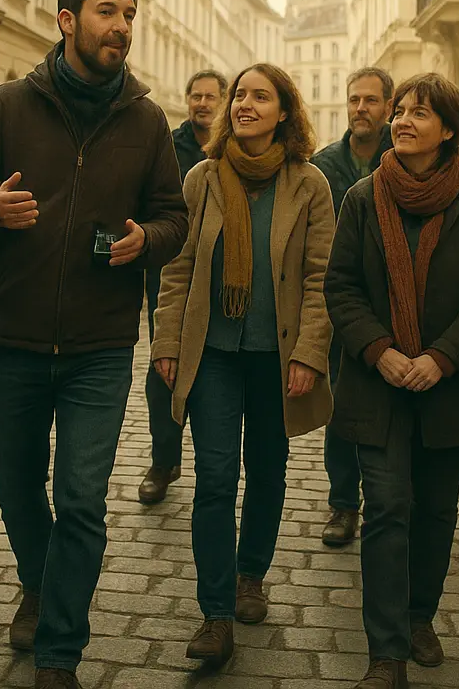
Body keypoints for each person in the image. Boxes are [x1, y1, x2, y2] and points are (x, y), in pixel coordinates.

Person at [0, 0, 188, 689]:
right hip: (10, 337)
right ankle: (37, 581)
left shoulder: (144, 120)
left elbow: (175, 215)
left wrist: (149, 239)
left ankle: (58, 653)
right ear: (67, 20)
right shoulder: (8, 106)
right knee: (17, 482)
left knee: (80, 496)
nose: (123, 27)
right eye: (109, 12)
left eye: (131, 14)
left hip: (100, 346)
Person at [325, 73, 459, 689]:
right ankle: (386, 652)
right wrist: (379, 351)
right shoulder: (362, 196)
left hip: (449, 386)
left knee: (434, 511)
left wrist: (441, 357)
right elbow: (342, 286)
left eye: (418, 114)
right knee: (385, 508)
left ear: (450, 130)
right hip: (377, 382)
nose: (402, 121)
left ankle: (418, 616)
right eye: (399, 111)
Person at [151, 63, 334, 668]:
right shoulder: (202, 178)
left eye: (261, 96)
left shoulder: (308, 183)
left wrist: (310, 351)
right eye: (240, 95)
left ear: (285, 111)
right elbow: (177, 269)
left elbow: (320, 277)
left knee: (268, 469)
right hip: (213, 355)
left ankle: (250, 574)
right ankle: (216, 613)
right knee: (214, 475)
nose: (244, 104)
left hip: (276, 357)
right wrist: (167, 343)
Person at [311, 66, 394, 547]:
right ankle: (343, 503)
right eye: (354, 100)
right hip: (339, 305)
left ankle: (388, 500)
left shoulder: (404, 157)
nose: (360, 108)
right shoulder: (325, 164)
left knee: (390, 408)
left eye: (370, 100)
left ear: (387, 106)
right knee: (339, 406)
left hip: (393, 306)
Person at [139, 69, 227, 505]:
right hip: (171, 270)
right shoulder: (169, 146)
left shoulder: (237, 147)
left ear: (224, 101)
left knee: (215, 371)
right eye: (196, 96)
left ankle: (215, 465)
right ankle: (163, 460)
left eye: (211, 96)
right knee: (165, 367)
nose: (202, 103)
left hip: (223, 276)